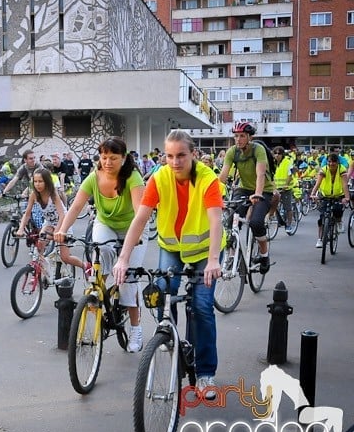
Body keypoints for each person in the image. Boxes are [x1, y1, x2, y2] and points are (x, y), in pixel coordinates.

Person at [113, 129, 224, 400]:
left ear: (193, 154)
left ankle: (206, 373)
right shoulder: (159, 177)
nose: (175, 162)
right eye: (170, 156)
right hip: (172, 247)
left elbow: (215, 220)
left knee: (201, 306)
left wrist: (212, 260)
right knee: (163, 289)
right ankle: (169, 333)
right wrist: (124, 258)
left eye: (181, 156)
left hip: (203, 251)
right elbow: (139, 219)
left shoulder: (207, 179)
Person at [55, 136, 148, 353]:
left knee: (128, 280)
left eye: (113, 157)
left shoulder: (133, 178)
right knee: (101, 250)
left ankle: (136, 329)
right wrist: (62, 230)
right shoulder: (93, 178)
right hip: (105, 224)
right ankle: (98, 290)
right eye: (104, 157)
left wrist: (131, 246)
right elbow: (76, 207)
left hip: (132, 228)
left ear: (123, 158)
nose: (107, 162)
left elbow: (139, 213)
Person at [217, 121, 273, 274]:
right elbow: (222, 176)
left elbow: (261, 173)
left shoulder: (258, 149)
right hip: (243, 189)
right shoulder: (232, 151)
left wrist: (258, 193)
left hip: (263, 190)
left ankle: (264, 255)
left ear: (250, 137)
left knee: (255, 223)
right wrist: (213, 195)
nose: (238, 139)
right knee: (230, 221)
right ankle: (232, 255)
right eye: (236, 136)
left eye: (242, 136)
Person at [19, 167, 86, 274]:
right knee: (40, 242)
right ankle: (37, 273)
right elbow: (27, 214)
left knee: (66, 258)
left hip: (63, 224)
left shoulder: (53, 195)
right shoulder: (34, 195)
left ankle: (85, 266)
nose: (37, 184)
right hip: (49, 223)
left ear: (47, 182)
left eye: (40, 181)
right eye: (35, 181)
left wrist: (58, 231)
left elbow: (62, 215)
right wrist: (21, 229)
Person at [310, 153, 350, 247]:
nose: (331, 163)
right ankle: (320, 239)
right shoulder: (324, 169)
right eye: (329, 161)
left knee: (338, 211)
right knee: (321, 218)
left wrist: (346, 197)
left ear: (338, 162)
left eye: (334, 161)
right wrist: (313, 194)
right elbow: (318, 183)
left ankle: (339, 222)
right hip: (325, 194)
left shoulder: (342, 169)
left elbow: (344, 184)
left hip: (338, 195)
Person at [272, 146, 295, 234]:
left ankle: (289, 224)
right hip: (275, 188)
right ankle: (277, 220)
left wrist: (286, 185)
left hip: (286, 188)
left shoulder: (288, 162)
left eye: (279, 154)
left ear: (282, 155)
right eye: (275, 153)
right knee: (272, 204)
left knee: (287, 207)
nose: (277, 155)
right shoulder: (272, 163)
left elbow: (290, 175)